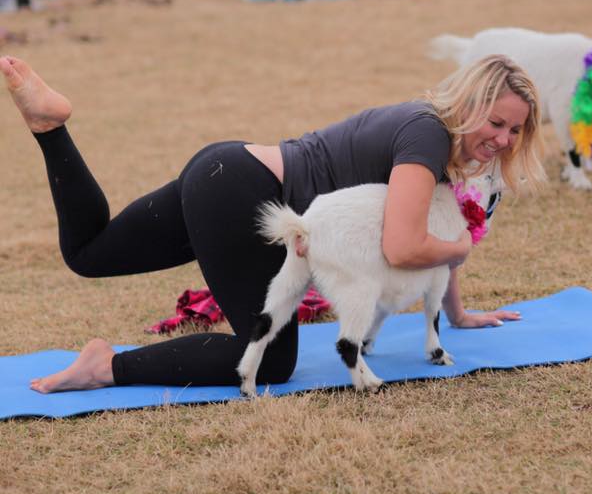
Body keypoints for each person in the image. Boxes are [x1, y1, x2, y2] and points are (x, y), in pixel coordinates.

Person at [1, 50, 545, 393]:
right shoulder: (427, 138)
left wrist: (457, 311)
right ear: (469, 104)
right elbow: (406, 248)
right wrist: (458, 253)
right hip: (246, 197)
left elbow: (433, 235)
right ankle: (105, 367)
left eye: (516, 131)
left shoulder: (429, 134)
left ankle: (49, 127)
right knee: (266, 358)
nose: (502, 140)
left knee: (89, 253)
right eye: (496, 122)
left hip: (228, 171)